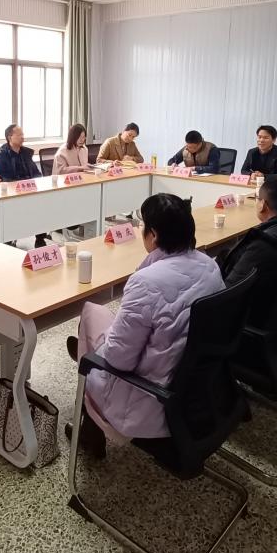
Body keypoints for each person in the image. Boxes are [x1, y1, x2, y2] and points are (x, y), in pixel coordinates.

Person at [66, 193, 224, 458]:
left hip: (150, 400)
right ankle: (89, 426)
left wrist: (106, 340)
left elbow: (118, 360)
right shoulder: (210, 266)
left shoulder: (146, 282)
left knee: (90, 315)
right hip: (196, 389)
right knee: (105, 322)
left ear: (153, 235)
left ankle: (89, 419)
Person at [0, 124, 49, 249]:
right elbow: (5, 179)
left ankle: (40, 238)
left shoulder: (25, 154)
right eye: (19, 135)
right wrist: (23, 186)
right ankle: (8, 239)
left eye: (23, 134)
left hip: (30, 190)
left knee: (42, 203)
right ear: (10, 137)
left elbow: (36, 173)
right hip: (12, 194)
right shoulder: (1, 157)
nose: (23, 137)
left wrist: (36, 183)